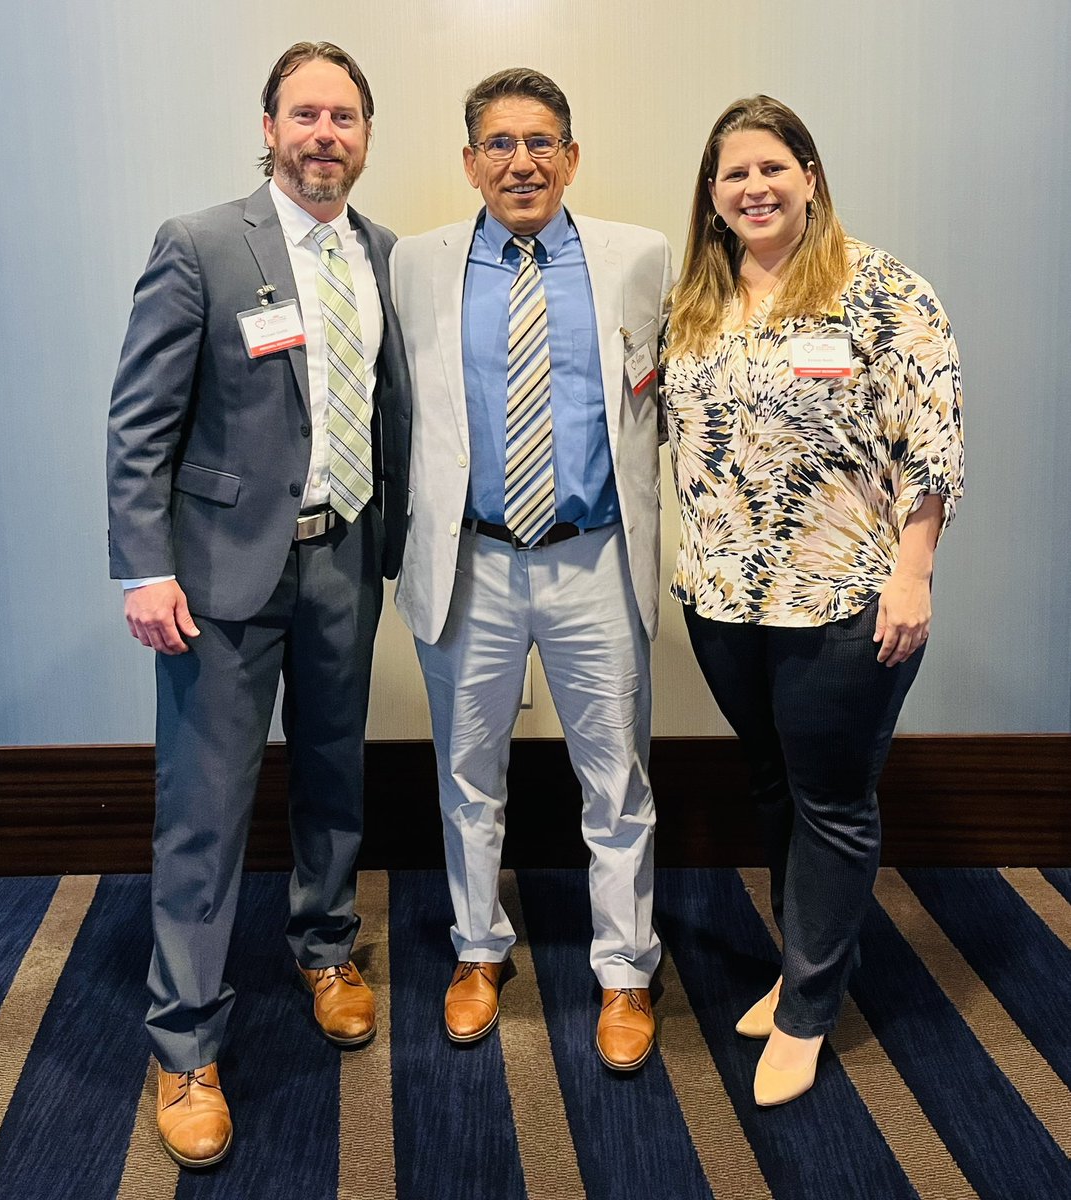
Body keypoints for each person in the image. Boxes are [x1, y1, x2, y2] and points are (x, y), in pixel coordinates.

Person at [106, 42, 410, 1167]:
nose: (324, 133)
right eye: (305, 114)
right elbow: (139, 418)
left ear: (365, 135)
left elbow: (392, 414)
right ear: (270, 126)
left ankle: (325, 947)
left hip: (342, 561)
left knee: (335, 774)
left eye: (343, 116)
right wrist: (145, 565)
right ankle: (183, 1043)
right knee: (205, 809)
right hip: (219, 577)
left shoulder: (382, 255)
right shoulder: (198, 246)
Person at [662, 95, 963, 1106]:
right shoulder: (695, 304)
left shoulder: (878, 290)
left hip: (841, 600)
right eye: (731, 174)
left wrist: (911, 573)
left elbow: (931, 443)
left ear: (808, 175)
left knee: (830, 802)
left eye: (769, 167)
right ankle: (814, 963)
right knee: (770, 786)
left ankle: (806, 1011)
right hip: (723, 600)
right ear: (710, 196)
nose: (752, 187)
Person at [391, 68, 671, 1070]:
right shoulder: (413, 265)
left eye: (541, 140)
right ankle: (476, 950)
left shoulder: (639, 258)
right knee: (468, 774)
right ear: (469, 162)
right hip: (472, 562)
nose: (522, 160)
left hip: (593, 556)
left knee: (615, 776)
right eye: (499, 144)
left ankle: (625, 971)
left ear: (571, 155)